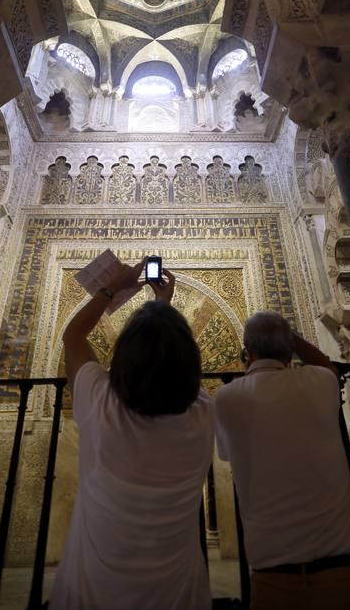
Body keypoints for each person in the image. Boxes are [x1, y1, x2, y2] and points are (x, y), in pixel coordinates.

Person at [49, 259, 214, 610]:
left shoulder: (100, 404)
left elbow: (74, 335)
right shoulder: (203, 413)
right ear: (190, 363)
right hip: (180, 597)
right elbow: (171, 363)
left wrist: (112, 288)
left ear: (123, 359)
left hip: (91, 594)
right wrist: (163, 309)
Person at [215, 311, 350, 610]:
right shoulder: (319, 381)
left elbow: (224, 455)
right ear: (289, 350)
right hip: (349, 572)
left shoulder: (227, 398)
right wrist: (287, 334)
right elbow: (326, 364)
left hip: (275, 579)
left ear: (246, 352)